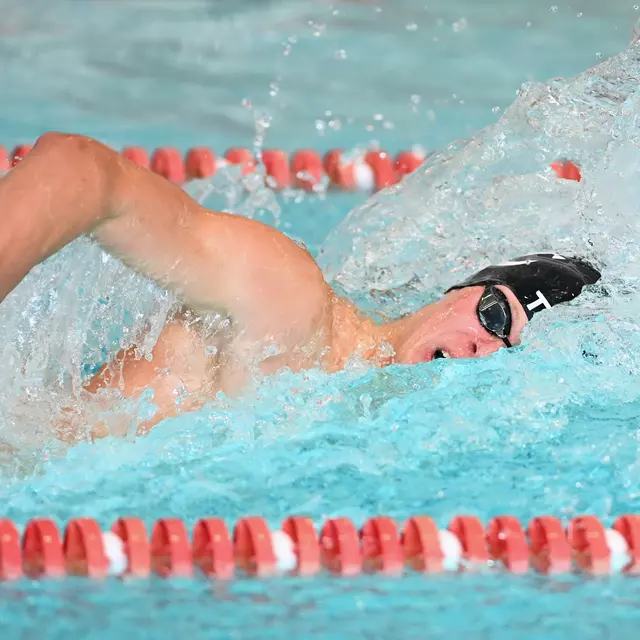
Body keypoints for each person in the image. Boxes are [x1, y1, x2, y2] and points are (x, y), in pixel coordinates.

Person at [0, 133, 601, 437]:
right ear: (461, 290)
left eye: (510, 353)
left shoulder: (363, 427)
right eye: (495, 318)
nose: (485, 350)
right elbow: (84, 170)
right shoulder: (291, 303)